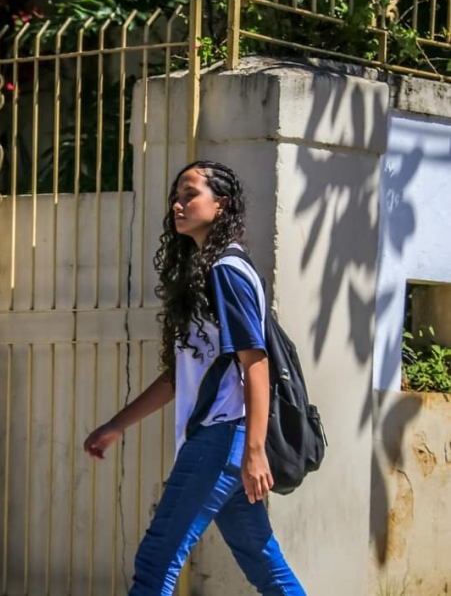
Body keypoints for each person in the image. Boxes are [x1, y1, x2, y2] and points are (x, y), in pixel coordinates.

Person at [83, 161, 305, 595]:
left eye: (190, 194)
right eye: (176, 196)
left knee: (156, 560)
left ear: (220, 205)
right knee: (264, 563)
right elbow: (180, 377)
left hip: (222, 438)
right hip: (221, 440)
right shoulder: (210, 272)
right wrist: (115, 426)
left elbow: (254, 363)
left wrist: (255, 451)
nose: (177, 204)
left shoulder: (226, 271)